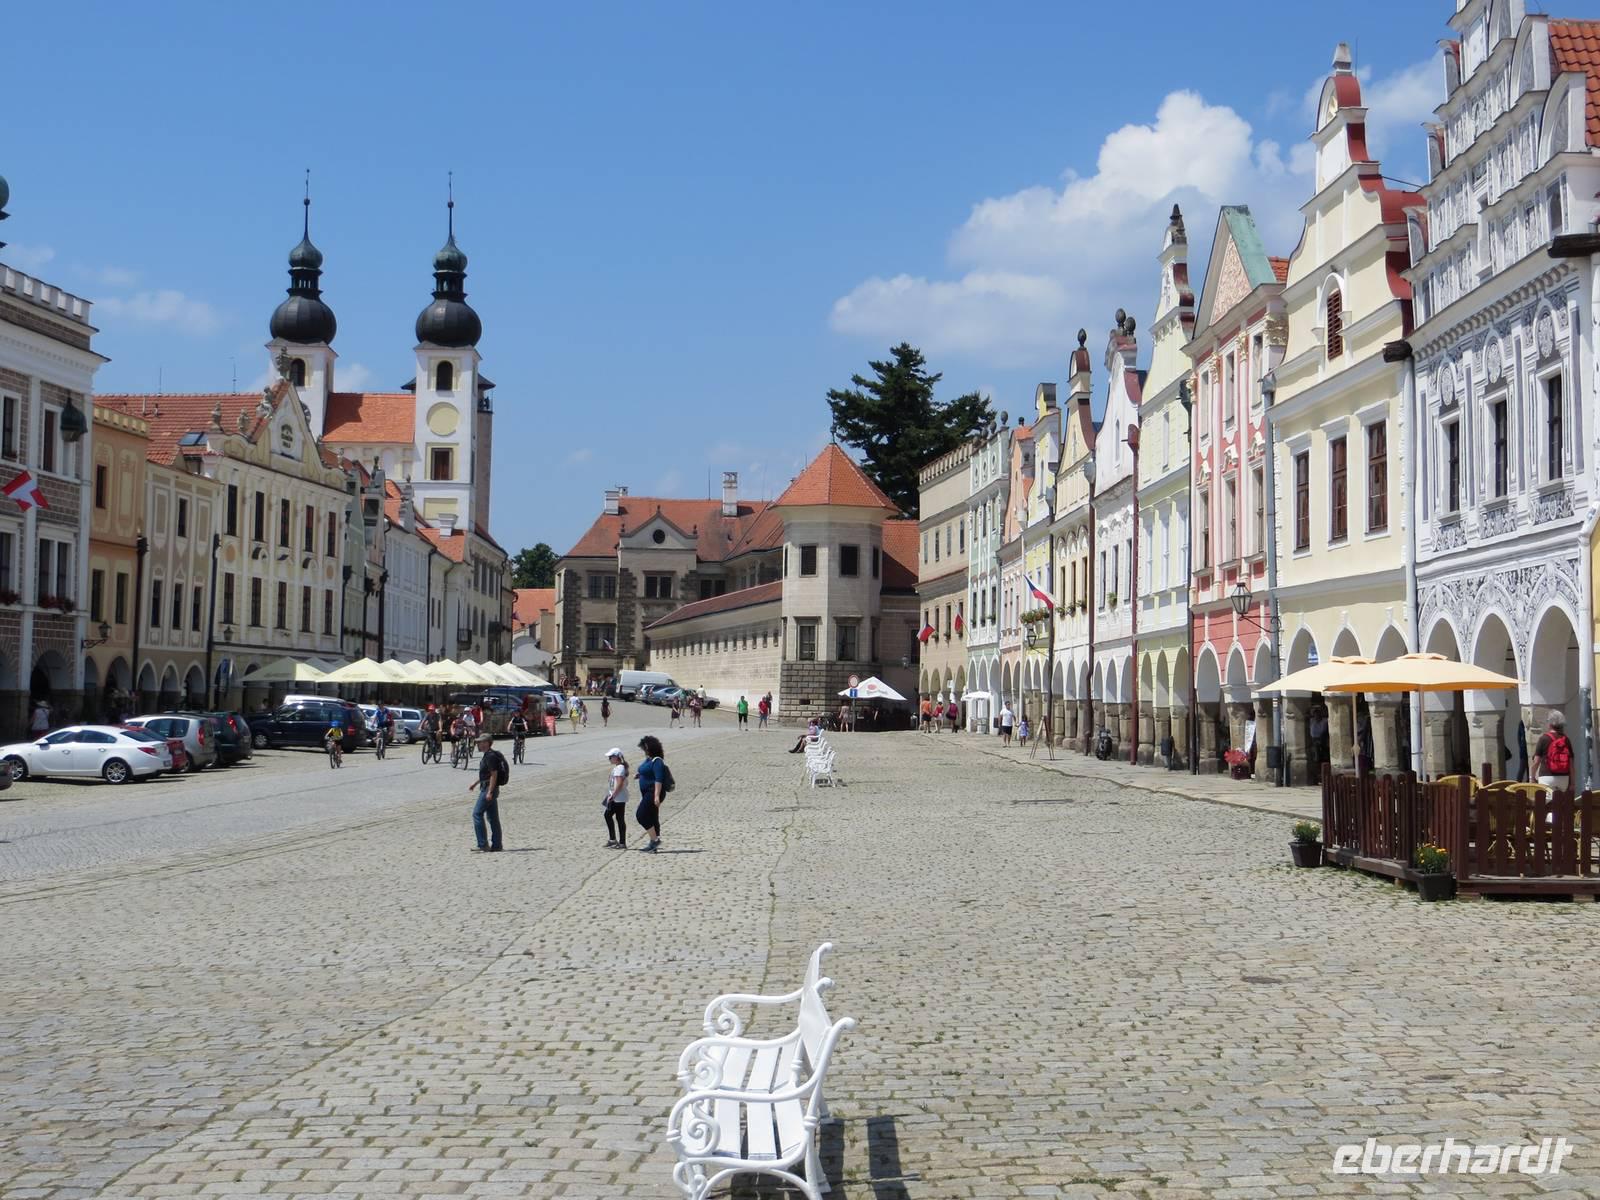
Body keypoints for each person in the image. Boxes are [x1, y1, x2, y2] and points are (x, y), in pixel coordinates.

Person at [469, 732, 507, 852]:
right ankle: (497, 845)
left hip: (488, 789)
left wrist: (489, 791)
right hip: (489, 787)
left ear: (486, 743)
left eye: (480, 742)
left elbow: (494, 774)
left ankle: (482, 844)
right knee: (493, 818)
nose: (478, 745)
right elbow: (486, 774)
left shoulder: (490, 756)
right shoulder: (489, 755)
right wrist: (475, 783)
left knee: (477, 814)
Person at [635, 734, 668, 852]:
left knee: (641, 815)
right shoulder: (649, 759)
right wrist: (641, 775)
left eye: (644, 748)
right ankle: (654, 843)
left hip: (653, 792)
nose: (644, 751)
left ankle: (655, 840)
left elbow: (659, 778)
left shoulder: (657, 761)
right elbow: (648, 771)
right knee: (652, 816)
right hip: (647, 792)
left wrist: (656, 796)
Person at [1532, 710, 1574, 795]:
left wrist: (1532, 777)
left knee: (1546, 802)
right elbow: (1571, 765)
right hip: (1563, 778)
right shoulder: (1566, 740)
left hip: (1546, 777)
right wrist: (1572, 783)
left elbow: (1536, 762)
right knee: (1561, 801)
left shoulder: (1543, 739)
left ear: (1550, 724)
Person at [603, 747, 629, 849]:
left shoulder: (619, 768)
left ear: (616, 757)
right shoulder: (619, 767)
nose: (609, 759)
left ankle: (615, 840)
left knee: (609, 815)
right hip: (618, 797)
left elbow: (619, 783)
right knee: (618, 818)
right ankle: (618, 841)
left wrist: (613, 796)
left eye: (611, 757)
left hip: (617, 798)